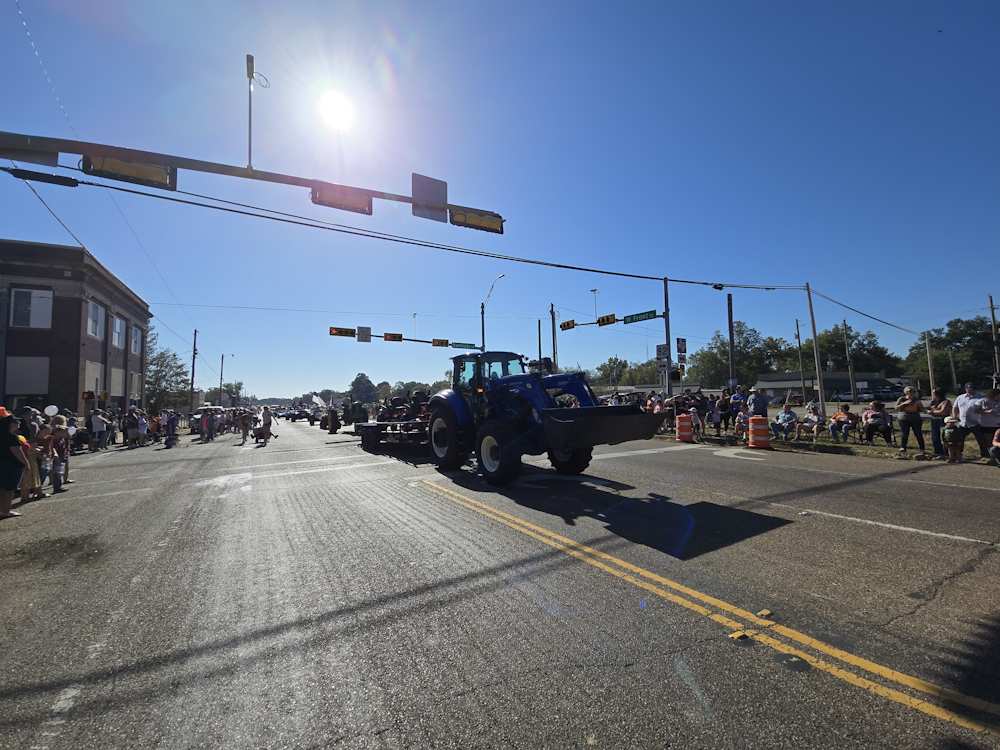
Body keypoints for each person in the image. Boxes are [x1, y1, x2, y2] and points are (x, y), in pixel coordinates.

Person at [0, 413, 29, 518]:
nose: (18, 423)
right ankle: (6, 511)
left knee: (2, 489)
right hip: (12, 465)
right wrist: (26, 463)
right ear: (10, 424)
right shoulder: (12, 437)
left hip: (2, 464)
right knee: (10, 490)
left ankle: (1, 510)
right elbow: (17, 452)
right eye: (16, 422)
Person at [952, 383, 981, 461]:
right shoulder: (960, 397)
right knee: (959, 440)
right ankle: (958, 455)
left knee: (981, 440)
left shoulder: (980, 397)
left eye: (971, 388)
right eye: (968, 388)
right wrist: (955, 417)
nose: (970, 389)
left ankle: (985, 455)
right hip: (962, 423)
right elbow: (955, 407)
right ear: (965, 389)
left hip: (976, 423)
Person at [895, 386, 926, 455]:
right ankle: (903, 447)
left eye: (912, 392)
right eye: (909, 392)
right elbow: (896, 408)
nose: (910, 393)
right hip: (903, 418)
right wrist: (904, 404)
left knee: (918, 433)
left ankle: (922, 448)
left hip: (915, 418)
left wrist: (920, 407)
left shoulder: (917, 400)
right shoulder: (901, 399)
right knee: (904, 433)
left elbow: (922, 409)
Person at [926, 387, 952, 460]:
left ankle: (946, 453)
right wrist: (933, 410)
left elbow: (942, 411)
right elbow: (927, 409)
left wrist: (933, 411)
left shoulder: (946, 401)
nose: (933, 395)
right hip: (934, 420)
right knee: (935, 437)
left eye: (934, 393)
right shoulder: (933, 401)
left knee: (943, 437)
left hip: (942, 420)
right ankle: (937, 452)